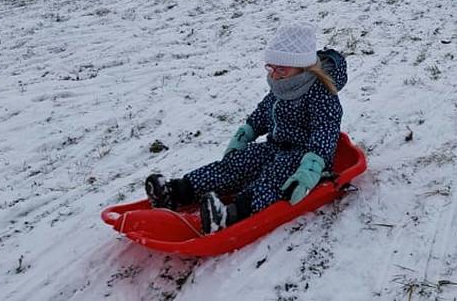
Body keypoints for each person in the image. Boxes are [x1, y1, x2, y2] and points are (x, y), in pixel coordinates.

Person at [144, 22, 346, 234]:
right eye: (271, 67)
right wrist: (244, 135)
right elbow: (262, 113)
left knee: (274, 178)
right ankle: (177, 192)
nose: (274, 75)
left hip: (304, 157)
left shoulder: (322, 95)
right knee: (236, 164)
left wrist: (310, 170)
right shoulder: (282, 85)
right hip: (274, 147)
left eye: (281, 69)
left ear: (302, 67)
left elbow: (326, 132)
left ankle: (231, 215)